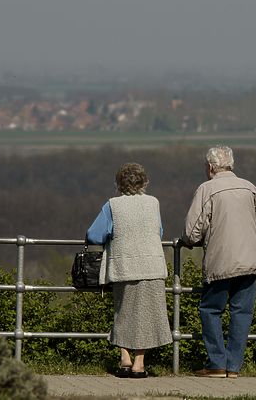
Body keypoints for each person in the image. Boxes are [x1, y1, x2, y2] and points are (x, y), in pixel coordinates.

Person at [181, 146, 256, 378]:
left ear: (210, 167)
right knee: (242, 313)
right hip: (249, 261)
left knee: (210, 310)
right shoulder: (249, 187)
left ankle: (216, 363)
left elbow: (191, 232)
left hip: (220, 263)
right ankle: (233, 367)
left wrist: (190, 240)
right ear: (231, 165)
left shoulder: (207, 189)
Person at [86, 162, 172, 379]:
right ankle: (139, 363)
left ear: (118, 184)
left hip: (124, 265)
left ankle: (125, 359)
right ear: (145, 182)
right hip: (152, 266)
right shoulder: (154, 203)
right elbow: (159, 231)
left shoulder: (112, 205)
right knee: (147, 316)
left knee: (122, 312)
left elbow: (94, 234)